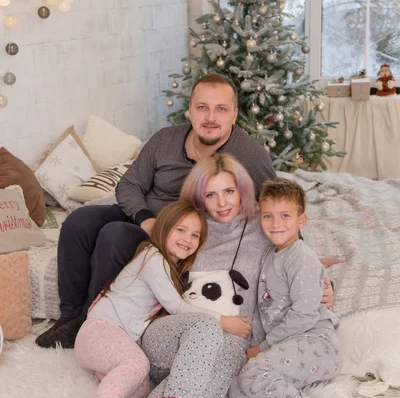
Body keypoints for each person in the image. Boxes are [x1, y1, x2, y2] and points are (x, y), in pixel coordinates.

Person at [45, 155, 334, 398]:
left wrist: (324, 283)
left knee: (207, 373)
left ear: (243, 192)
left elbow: (298, 259)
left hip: (229, 343)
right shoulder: (188, 231)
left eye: (229, 191)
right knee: (203, 326)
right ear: (198, 199)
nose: (223, 202)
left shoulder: (263, 231)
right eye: (211, 195)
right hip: (170, 334)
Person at [36, 73, 276, 349]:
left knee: (113, 236)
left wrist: (294, 248)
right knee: (79, 221)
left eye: (220, 109)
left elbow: (274, 200)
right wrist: (145, 219)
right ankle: (69, 317)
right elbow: (128, 185)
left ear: (234, 115)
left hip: (175, 233)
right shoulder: (166, 139)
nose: (211, 117)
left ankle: (92, 322)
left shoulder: (249, 153)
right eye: (202, 108)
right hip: (144, 216)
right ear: (190, 111)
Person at [57, 200, 242, 398]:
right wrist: (224, 321)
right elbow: (177, 307)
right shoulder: (152, 257)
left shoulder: (168, 267)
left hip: (112, 342)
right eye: (181, 230)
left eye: (195, 235)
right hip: (99, 331)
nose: (188, 239)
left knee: (139, 388)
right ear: (164, 228)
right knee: (137, 363)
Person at [229, 178, 360, 398]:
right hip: (290, 348)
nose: (276, 223)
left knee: (253, 374)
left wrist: (261, 348)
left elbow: (303, 314)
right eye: (268, 215)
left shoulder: (301, 258)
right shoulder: (272, 255)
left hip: (317, 343)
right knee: (237, 391)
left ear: (302, 220)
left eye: (285, 216)